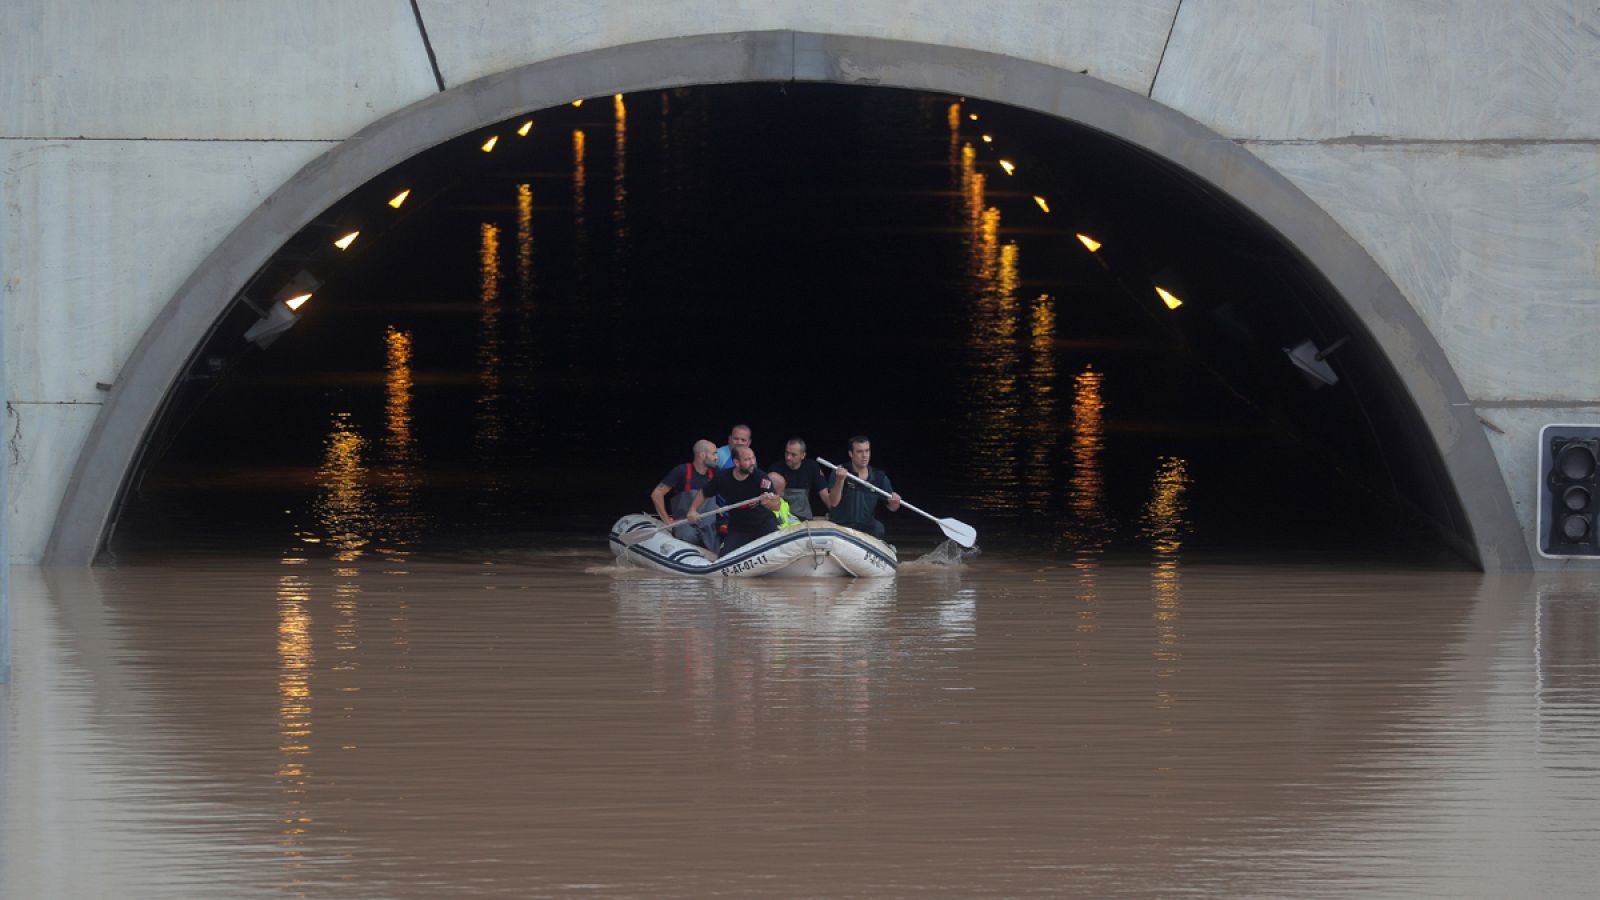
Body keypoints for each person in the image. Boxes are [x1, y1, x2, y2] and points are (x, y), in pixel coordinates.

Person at [687, 446, 781, 554]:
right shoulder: (722, 478)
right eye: (747, 460)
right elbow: (703, 493)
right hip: (739, 527)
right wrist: (693, 510)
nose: (752, 462)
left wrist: (769, 504)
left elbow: (777, 506)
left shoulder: (761, 478)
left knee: (778, 550)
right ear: (736, 462)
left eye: (753, 458)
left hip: (764, 523)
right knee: (725, 556)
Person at [824, 434, 901, 539]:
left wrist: (895, 502)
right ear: (851, 454)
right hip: (842, 525)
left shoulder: (879, 477)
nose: (864, 455)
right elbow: (833, 502)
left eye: (867, 451)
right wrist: (840, 480)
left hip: (865, 526)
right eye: (859, 452)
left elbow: (892, 508)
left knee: (878, 528)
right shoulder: (839, 472)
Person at [649, 439, 719, 549]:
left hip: (708, 526)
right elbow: (656, 494)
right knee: (688, 536)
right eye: (714, 453)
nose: (717, 457)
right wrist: (667, 521)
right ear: (702, 455)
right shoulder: (682, 471)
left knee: (716, 545)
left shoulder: (715, 473)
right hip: (685, 524)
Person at [767, 437, 829, 520]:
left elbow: (825, 496)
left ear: (803, 455)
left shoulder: (811, 467)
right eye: (787, 453)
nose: (788, 457)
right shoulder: (775, 470)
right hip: (783, 519)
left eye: (793, 455)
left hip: (804, 518)